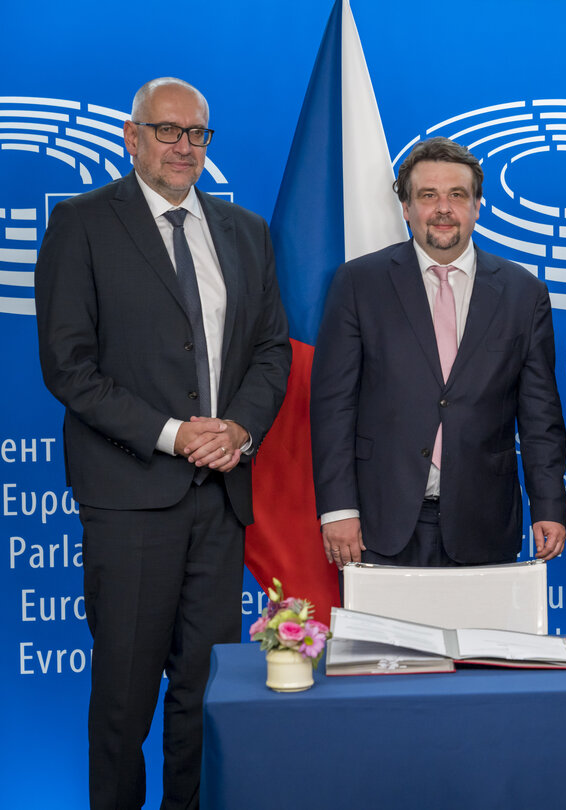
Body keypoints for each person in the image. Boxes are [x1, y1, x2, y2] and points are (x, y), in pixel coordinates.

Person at [34, 77, 291, 808]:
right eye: (168, 131)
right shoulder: (81, 223)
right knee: (123, 694)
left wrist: (238, 428)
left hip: (220, 498)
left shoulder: (244, 231)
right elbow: (68, 365)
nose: (184, 147)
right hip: (129, 497)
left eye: (197, 134)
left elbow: (271, 350)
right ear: (132, 136)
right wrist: (178, 436)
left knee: (202, 691)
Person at [311, 137, 566, 569]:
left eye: (457, 195)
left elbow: (540, 415)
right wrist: (338, 509)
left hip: (484, 522)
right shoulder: (359, 284)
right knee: (382, 641)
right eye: (428, 196)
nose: (443, 208)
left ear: (477, 205)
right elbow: (334, 406)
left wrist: (548, 506)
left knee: (481, 639)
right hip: (378, 522)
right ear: (407, 208)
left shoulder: (525, 293)